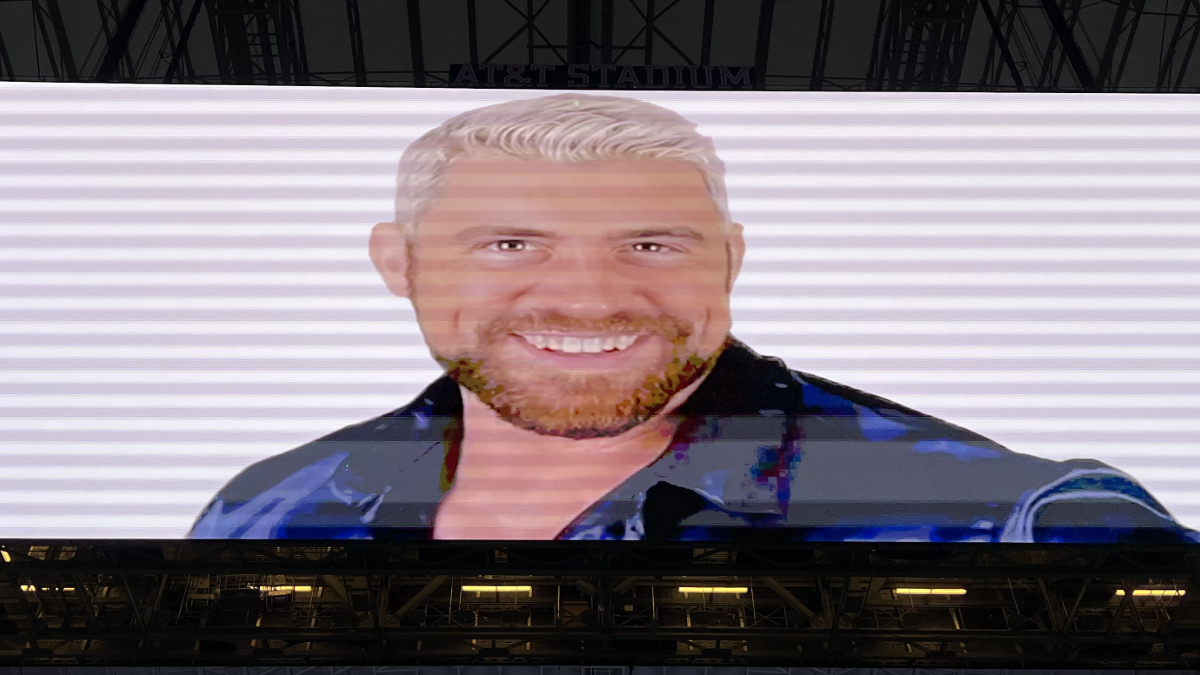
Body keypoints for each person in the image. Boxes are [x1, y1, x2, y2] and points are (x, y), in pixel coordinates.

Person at [189, 94, 1195, 543]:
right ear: (396, 264)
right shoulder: (271, 508)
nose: (588, 297)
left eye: (651, 245)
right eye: (510, 244)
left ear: (732, 260)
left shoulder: (1021, 527)